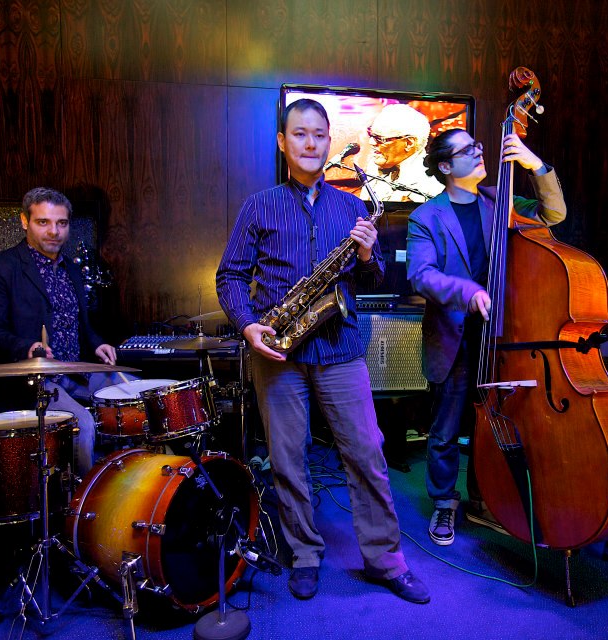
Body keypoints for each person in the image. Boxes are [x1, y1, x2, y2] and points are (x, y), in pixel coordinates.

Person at [215, 98, 429, 604]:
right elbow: (230, 276)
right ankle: (305, 554)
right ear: (282, 142)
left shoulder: (352, 207)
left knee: (367, 453)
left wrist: (366, 255)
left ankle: (385, 559)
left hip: (340, 348)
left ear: (329, 141)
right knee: (288, 459)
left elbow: (372, 278)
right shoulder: (258, 205)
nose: (310, 143)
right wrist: (248, 325)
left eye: (319, 134)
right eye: (300, 133)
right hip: (278, 352)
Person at [406, 128, 567, 545]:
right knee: (445, 429)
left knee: (492, 423)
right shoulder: (425, 217)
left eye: (478, 146)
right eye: (468, 150)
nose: (480, 153)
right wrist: (469, 291)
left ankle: (483, 499)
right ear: (445, 166)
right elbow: (421, 275)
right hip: (453, 336)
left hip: (501, 334)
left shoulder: (501, 200)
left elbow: (553, 215)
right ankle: (445, 503)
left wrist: (535, 165)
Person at [0, 187, 124, 476]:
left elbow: (78, 324)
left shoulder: (71, 269)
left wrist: (96, 343)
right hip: (36, 382)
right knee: (82, 425)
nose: (54, 231)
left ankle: (135, 486)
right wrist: (25, 347)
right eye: (43, 222)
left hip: (76, 372)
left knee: (136, 398)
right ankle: (85, 497)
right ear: (24, 221)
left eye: (62, 223)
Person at [362, 104, 443, 204]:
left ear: (409, 143)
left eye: (380, 139)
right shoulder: (374, 165)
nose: (371, 142)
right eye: (371, 135)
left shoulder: (435, 182)